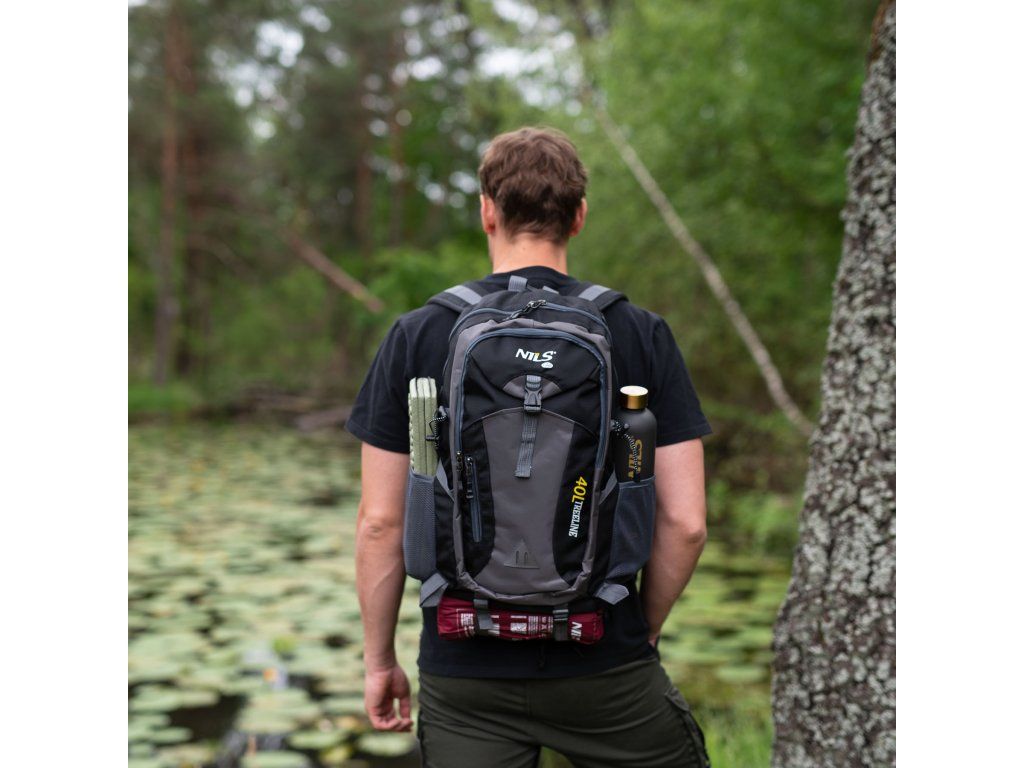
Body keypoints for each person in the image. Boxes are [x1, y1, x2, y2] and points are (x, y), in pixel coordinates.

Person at [347, 127, 713, 767]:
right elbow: (685, 525)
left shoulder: (419, 334)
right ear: (579, 216)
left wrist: (380, 661)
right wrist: (640, 629)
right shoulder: (639, 333)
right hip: (605, 661)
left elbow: (380, 522)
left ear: (487, 211)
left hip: (464, 672)